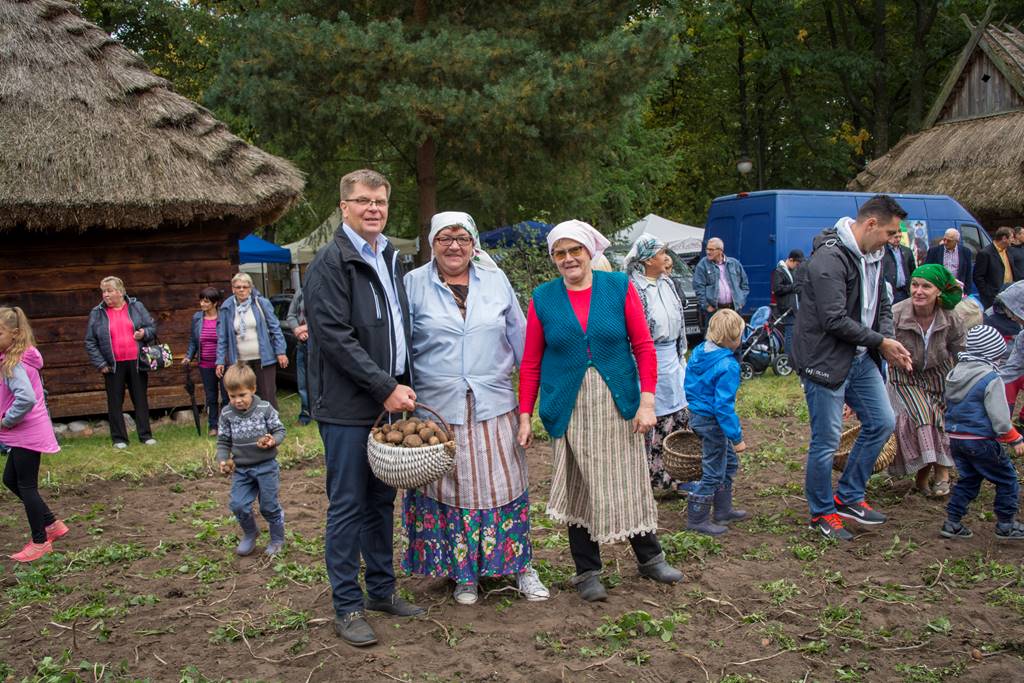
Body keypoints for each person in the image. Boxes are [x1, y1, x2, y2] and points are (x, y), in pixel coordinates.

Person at [517, 219, 683, 603]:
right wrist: (525, 415)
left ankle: (650, 558)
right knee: (580, 485)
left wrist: (647, 401)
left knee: (628, 477)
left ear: (589, 251)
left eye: (575, 250)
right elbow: (531, 362)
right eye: (560, 253)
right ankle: (587, 570)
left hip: (617, 402)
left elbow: (643, 346)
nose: (568, 258)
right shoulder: (543, 298)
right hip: (570, 406)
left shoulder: (618, 287)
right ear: (553, 258)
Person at [304, 169, 424, 648]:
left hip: (387, 404)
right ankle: (347, 606)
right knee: (349, 505)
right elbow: (334, 337)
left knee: (380, 502)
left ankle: (381, 590)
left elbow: (396, 328)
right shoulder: (331, 263)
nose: (373, 208)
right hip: (347, 407)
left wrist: (403, 385)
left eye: (380, 201)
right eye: (363, 201)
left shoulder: (389, 257)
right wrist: (383, 386)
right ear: (344, 207)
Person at [402, 211, 548, 606]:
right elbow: (401, 347)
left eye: (462, 238)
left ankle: (521, 566)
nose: (454, 246)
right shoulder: (413, 284)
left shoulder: (495, 280)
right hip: (437, 410)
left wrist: (529, 405)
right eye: (445, 238)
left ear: (473, 243)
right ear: (432, 243)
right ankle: (463, 574)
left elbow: (521, 339)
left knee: (504, 484)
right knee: (452, 488)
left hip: (494, 403)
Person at [792, 195, 913, 541]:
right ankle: (821, 512)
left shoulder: (878, 255)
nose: (893, 240)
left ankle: (848, 496)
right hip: (824, 358)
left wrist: (887, 342)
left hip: (860, 357)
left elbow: (883, 305)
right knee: (827, 439)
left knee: (882, 422)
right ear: (871, 224)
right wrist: (881, 342)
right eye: (890, 232)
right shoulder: (829, 258)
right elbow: (833, 319)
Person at [885, 265, 965, 498]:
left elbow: (960, 350)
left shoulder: (950, 316)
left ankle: (923, 476)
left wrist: (963, 381)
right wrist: (893, 357)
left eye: (926, 286)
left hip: (940, 375)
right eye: (915, 285)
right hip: (905, 376)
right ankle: (942, 473)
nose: (918, 291)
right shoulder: (897, 313)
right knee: (924, 415)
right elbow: (881, 344)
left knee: (940, 419)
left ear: (938, 291)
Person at [941, 325, 1024, 540]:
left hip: (956, 438)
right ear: (993, 352)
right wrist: (1014, 438)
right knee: (1007, 479)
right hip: (981, 440)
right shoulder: (990, 378)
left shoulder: (955, 372)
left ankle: (952, 522)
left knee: (969, 479)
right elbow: (1000, 416)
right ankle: (1006, 524)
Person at [625, 233, 691, 492]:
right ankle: (651, 481)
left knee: (677, 415)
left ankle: (676, 476)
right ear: (648, 259)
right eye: (662, 253)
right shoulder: (634, 288)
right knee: (654, 417)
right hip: (649, 358)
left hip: (673, 357)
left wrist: (680, 355)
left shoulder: (668, 283)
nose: (667, 258)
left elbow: (679, 321)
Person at [0, 307, 67, 562]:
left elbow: (26, 398)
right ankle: (51, 523)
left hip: (26, 432)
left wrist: (7, 420)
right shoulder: (16, 357)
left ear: (15, 334)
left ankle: (40, 542)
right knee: (10, 479)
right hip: (27, 432)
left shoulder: (13, 363)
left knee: (27, 486)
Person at [683, 309, 748, 536]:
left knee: (728, 463)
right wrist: (737, 437)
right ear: (734, 338)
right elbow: (723, 407)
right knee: (713, 471)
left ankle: (723, 510)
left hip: (699, 416)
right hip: (712, 421)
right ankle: (697, 519)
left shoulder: (699, 352)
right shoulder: (728, 366)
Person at [217, 362, 287, 556]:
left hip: (266, 467)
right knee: (238, 504)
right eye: (232, 396)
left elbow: (280, 430)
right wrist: (223, 460)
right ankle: (250, 533)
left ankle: (277, 538)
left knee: (269, 506)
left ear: (253, 389)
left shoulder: (265, 408)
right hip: (242, 470)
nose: (237, 401)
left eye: (242, 395)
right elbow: (223, 441)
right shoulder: (227, 414)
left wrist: (273, 440)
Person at [84, 276, 157, 449]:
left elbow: (152, 328)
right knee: (115, 402)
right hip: (112, 365)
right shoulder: (97, 313)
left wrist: (144, 334)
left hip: (137, 361)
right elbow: (90, 341)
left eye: (109, 291)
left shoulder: (136, 306)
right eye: (103, 291)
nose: (106, 295)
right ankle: (119, 439)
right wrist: (101, 363)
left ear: (120, 292)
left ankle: (145, 436)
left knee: (140, 399)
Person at [215, 273, 288, 410]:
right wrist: (220, 360)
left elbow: (275, 328)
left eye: (245, 287)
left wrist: (280, 352)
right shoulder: (227, 307)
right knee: (242, 394)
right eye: (238, 287)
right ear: (233, 289)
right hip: (239, 360)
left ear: (250, 288)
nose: (241, 290)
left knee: (267, 394)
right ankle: (246, 422)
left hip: (264, 358)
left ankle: (271, 421)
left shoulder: (261, 303)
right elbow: (222, 336)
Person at [184, 287, 225, 436]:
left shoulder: (223, 317)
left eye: (206, 301)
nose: (202, 304)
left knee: (226, 395)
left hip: (223, 363)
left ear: (215, 303)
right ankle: (213, 426)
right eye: (201, 300)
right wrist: (189, 356)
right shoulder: (197, 318)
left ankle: (226, 425)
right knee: (211, 396)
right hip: (205, 364)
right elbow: (193, 340)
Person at [692, 237, 749, 331]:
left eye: (711, 249)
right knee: (715, 338)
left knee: (735, 336)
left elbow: (745, 284)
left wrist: (741, 301)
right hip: (714, 311)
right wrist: (706, 306)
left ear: (720, 251)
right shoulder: (702, 265)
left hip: (734, 309)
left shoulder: (734, 263)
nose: (708, 252)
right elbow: (698, 287)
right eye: (707, 249)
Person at [993, 283, 1024, 429]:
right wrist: (984, 382)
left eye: (1013, 311)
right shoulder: (1022, 337)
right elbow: (1011, 369)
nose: (1011, 317)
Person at [973, 227, 1017, 310]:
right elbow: (978, 276)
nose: (1013, 240)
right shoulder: (985, 253)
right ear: (1004, 238)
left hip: (1009, 294)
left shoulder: (1008, 251)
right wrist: (988, 293)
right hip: (993, 297)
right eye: (1011, 238)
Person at [285, 288, 311, 425]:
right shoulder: (301, 293)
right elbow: (291, 316)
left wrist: (306, 328)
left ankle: (324, 414)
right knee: (303, 383)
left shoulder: (326, 289)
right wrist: (297, 330)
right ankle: (305, 415)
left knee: (323, 382)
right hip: (302, 344)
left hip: (321, 344)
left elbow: (327, 317)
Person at [771, 249, 803, 354]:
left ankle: (792, 356)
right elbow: (777, 289)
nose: (797, 266)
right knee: (790, 335)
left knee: (793, 334)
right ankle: (788, 358)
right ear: (790, 260)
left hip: (794, 307)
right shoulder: (779, 271)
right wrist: (793, 287)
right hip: (786, 308)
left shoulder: (792, 271)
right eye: (796, 264)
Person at [924, 229, 973, 293]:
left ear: (956, 241)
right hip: (938, 289)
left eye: (949, 241)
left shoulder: (966, 252)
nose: (945, 242)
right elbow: (927, 271)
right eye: (944, 239)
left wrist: (967, 292)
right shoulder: (934, 251)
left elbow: (968, 274)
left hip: (957, 289)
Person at [882, 232, 916, 304]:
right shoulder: (881, 251)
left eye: (900, 237)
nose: (898, 239)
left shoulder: (907, 251)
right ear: (889, 237)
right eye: (896, 237)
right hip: (889, 291)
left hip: (905, 291)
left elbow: (912, 270)